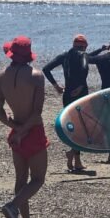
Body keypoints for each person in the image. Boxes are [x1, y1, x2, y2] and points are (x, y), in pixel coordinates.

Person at [0, 36, 48, 218]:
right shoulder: (36, 76)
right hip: (33, 131)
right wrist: (23, 131)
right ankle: (12, 206)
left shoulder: (1, 76)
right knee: (38, 178)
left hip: (16, 130)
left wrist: (15, 128)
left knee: (21, 179)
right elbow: (36, 113)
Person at [42, 34, 94, 172]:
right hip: (80, 95)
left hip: (67, 95)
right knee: (81, 127)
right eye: (82, 48)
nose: (81, 50)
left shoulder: (65, 55)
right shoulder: (83, 55)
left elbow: (46, 69)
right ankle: (75, 159)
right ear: (84, 46)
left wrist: (56, 86)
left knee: (74, 126)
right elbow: (84, 68)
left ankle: (74, 155)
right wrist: (81, 87)